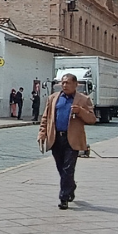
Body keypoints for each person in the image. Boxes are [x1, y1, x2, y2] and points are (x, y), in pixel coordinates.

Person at [38, 72, 96, 209]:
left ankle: (63, 198)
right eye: (62, 83)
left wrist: (80, 111)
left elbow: (92, 119)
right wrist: (42, 133)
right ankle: (71, 186)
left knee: (68, 169)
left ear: (76, 84)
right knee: (61, 168)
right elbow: (45, 118)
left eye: (68, 83)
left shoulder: (83, 100)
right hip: (56, 138)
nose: (64, 85)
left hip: (73, 140)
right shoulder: (53, 98)